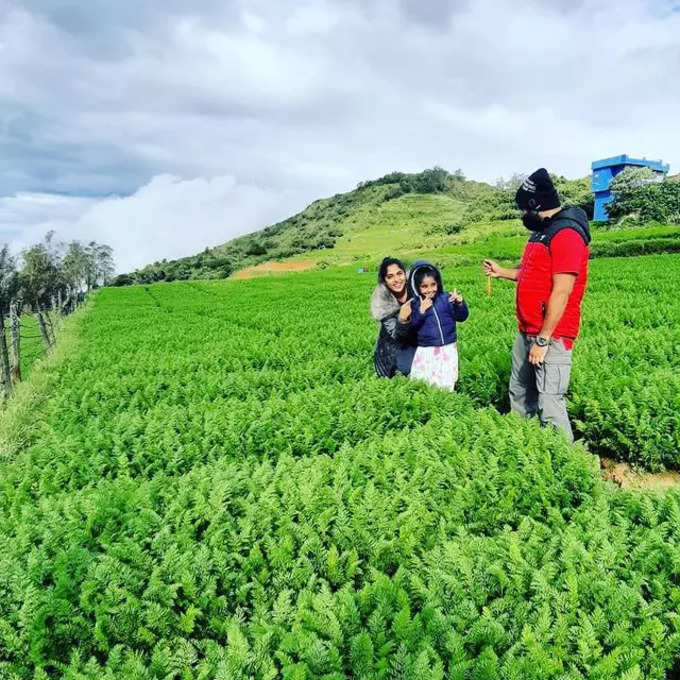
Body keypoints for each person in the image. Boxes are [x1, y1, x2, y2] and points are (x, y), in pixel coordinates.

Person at [483, 168, 591, 442]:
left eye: (524, 210)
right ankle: (527, 447)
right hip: (527, 329)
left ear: (536, 206)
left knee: (549, 401)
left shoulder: (567, 234)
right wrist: (502, 272)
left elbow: (562, 291)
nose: (522, 216)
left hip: (550, 334)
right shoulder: (542, 232)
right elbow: (529, 273)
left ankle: (566, 464)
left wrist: (543, 340)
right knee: (519, 391)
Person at [406, 260, 469, 391]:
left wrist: (459, 304)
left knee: (446, 380)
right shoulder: (415, 304)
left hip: (447, 348)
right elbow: (412, 327)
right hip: (427, 350)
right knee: (426, 382)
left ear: (438, 283)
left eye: (433, 285)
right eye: (424, 286)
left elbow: (462, 317)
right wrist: (421, 312)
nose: (430, 290)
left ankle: (446, 402)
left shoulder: (446, 299)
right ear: (417, 287)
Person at [370, 257, 417, 377]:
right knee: (408, 370)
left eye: (399, 274)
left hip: (419, 337)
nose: (396, 280)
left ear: (405, 274)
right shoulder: (382, 300)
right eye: (390, 276)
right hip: (394, 345)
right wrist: (402, 320)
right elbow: (397, 336)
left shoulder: (415, 287)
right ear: (385, 280)